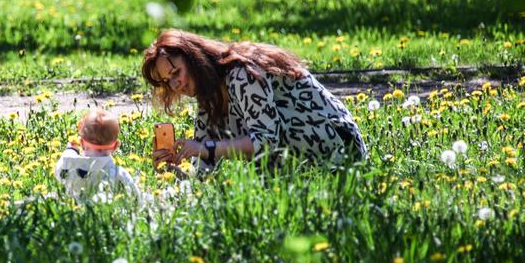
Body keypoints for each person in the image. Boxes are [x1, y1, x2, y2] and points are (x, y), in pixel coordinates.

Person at [142, 29, 366, 171]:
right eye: (167, 81)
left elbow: (265, 142)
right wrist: (172, 171)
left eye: (176, 72)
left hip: (342, 148)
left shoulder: (242, 73)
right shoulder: (208, 97)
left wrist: (204, 148)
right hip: (305, 158)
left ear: (194, 59)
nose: (175, 85)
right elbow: (204, 168)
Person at [53, 108, 145, 202]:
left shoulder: (69, 166)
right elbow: (136, 199)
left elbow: (61, 164)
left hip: (71, 209)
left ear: (81, 143)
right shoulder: (118, 174)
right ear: (115, 146)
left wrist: (71, 149)